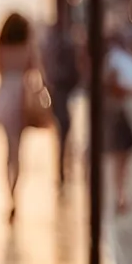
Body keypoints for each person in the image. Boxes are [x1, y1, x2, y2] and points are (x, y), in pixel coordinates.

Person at [0, 12, 43, 221]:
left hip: (4, 96)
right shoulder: (28, 46)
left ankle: (9, 196)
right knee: (18, 152)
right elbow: (37, 72)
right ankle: (15, 193)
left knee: (7, 151)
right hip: (22, 98)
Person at [104, 34, 132, 215]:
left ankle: (120, 194)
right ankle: (120, 195)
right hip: (117, 113)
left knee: (121, 160)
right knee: (120, 160)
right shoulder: (114, 62)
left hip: (119, 113)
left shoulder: (114, 61)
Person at [42, 24, 81, 187]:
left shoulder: (50, 47)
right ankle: (62, 165)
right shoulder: (66, 45)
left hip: (57, 91)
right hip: (62, 91)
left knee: (62, 128)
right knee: (64, 128)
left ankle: (62, 165)